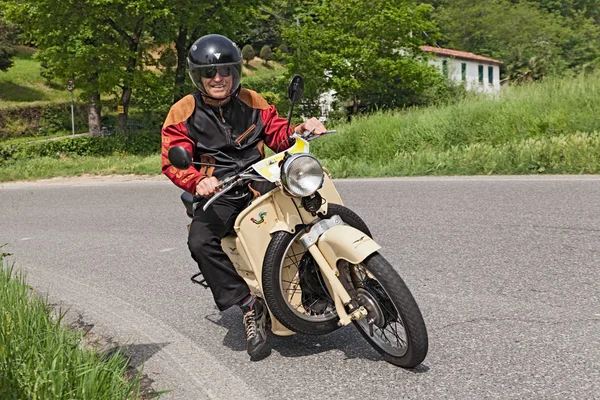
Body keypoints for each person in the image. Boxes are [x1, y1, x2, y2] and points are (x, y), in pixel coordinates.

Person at [161, 34, 326, 358]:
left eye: (224, 71)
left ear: (235, 71)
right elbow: (171, 159)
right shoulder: (183, 110)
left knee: (311, 211)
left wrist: (300, 131)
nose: (218, 78)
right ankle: (248, 304)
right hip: (220, 189)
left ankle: (319, 283)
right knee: (199, 241)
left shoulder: (253, 100)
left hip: (262, 176)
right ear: (199, 76)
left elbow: (278, 134)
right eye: (210, 73)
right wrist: (197, 182)